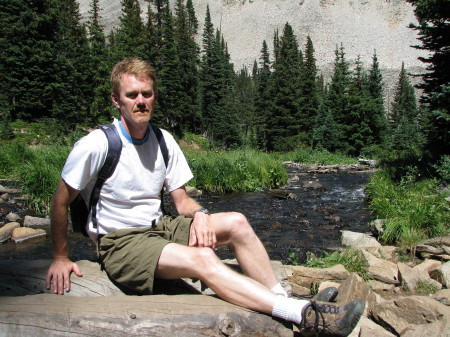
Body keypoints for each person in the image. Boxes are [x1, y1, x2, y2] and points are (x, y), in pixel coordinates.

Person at [46, 57, 364, 336]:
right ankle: (304, 316)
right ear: (117, 100)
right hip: (119, 241)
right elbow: (59, 201)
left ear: (154, 97)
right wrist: (60, 257)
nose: (140, 101)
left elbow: (183, 201)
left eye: (147, 93)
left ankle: (282, 298)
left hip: (158, 227)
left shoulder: (163, 140)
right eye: (132, 95)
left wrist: (200, 215)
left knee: (237, 222)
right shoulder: (97, 144)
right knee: (203, 258)